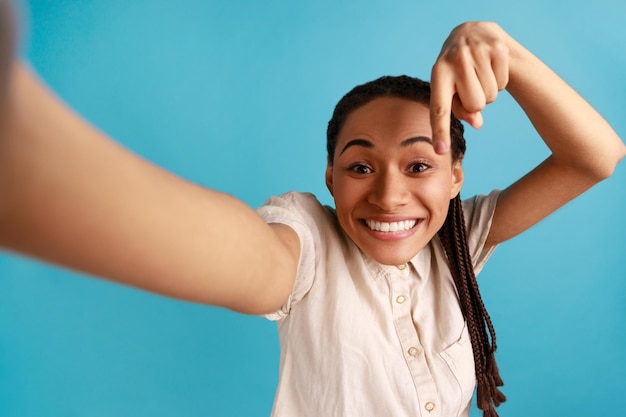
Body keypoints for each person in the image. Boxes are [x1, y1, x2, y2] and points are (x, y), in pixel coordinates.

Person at [0, 11, 624, 417]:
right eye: (359, 167)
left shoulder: (459, 239)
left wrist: (502, 50)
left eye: (418, 165)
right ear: (330, 178)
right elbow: (246, 254)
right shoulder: (308, 245)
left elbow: (597, 156)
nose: (388, 197)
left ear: (454, 177)